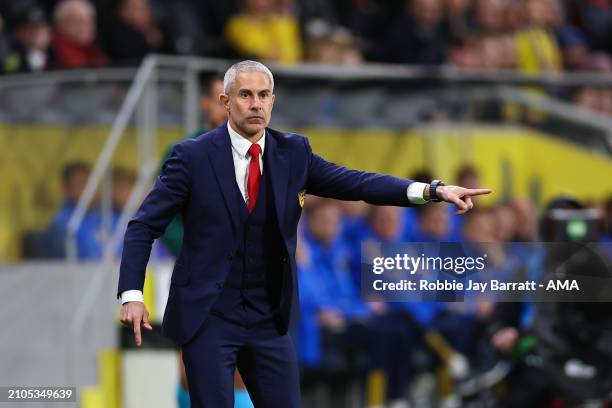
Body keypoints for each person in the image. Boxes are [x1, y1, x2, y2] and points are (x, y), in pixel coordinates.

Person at [118, 60, 492, 407]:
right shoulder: (191, 156)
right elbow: (143, 225)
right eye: (245, 95)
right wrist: (132, 294)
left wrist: (432, 191)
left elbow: (358, 183)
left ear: (273, 101)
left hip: (269, 318)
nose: (255, 104)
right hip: (209, 315)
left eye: (263, 95)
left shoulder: (293, 152)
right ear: (224, 101)